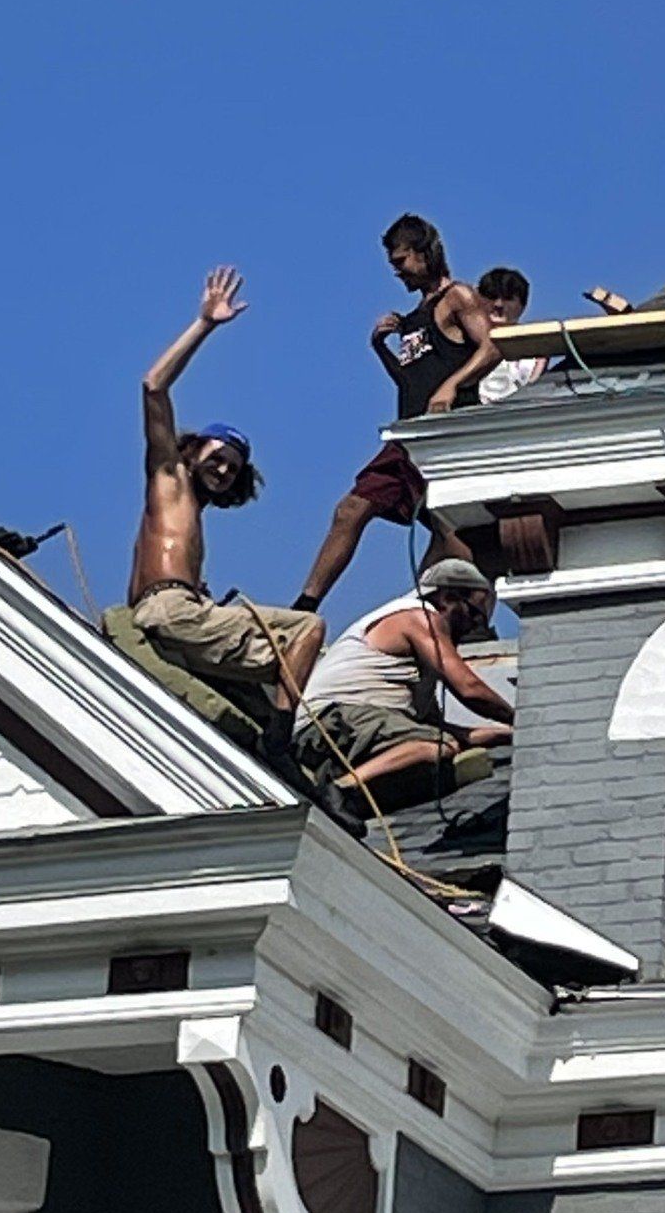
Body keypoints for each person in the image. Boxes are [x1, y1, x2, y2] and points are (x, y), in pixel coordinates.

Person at [129, 267, 324, 713]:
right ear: (193, 451)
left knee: (303, 660)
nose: (222, 469)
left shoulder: (186, 517)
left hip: (176, 612)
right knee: (307, 630)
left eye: (232, 469)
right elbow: (153, 386)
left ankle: (275, 729)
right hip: (170, 609)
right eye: (217, 458)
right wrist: (205, 323)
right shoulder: (170, 479)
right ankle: (282, 737)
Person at [294, 216, 496, 609]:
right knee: (351, 508)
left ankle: (470, 615)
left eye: (401, 261)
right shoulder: (414, 316)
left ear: (424, 253)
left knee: (452, 531)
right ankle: (305, 607)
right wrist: (381, 348)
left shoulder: (457, 297)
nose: (398, 272)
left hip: (446, 438)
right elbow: (409, 381)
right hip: (408, 438)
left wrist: (453, 385)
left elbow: (493, 346)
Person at [293, 557, 515, 816]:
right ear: (446, 598)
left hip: (337, 733)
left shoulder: (416, 674)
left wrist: (507, 734)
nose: (474, 626)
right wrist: (521, 718)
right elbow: (469, 689)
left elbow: (443, 730)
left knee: (439, 750)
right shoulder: (418, 617)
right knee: (438, 748)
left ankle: (351, 794)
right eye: (473, 614)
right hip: (330, 721)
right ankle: (342, 790)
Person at [475, 266, 547, 406]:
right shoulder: (461, 343)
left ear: (523, 305)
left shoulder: (536, 349)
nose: (498, 304)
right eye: (492, 297)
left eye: (508, 298)